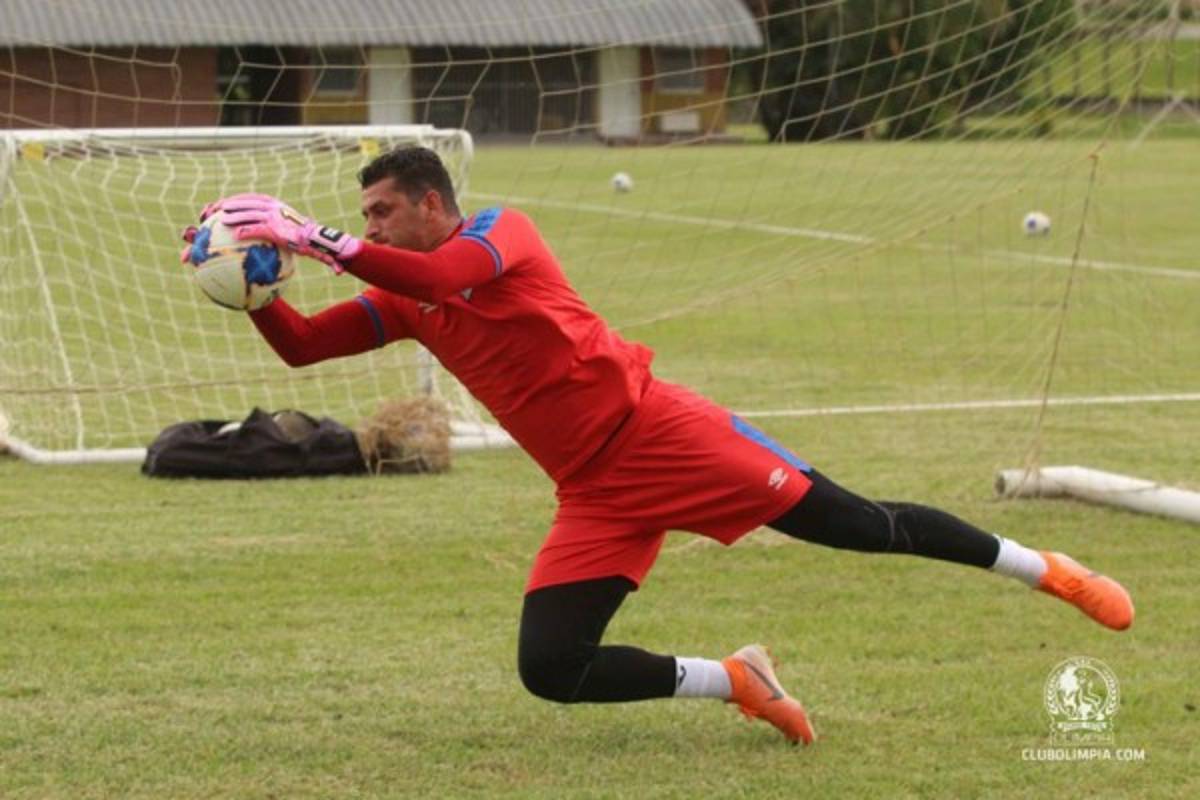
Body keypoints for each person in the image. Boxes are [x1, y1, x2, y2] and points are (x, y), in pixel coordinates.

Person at [184, 146, 1134, 746]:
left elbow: (444, 272)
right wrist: (255, 290)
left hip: (662, 434)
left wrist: (319, 237)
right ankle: (736, 681)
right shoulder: (405, 295)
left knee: (855, 524)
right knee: (551, 669)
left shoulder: (492, 234)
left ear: (431, 203)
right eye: (369, 215)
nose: (375, 225)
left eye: (384, 210)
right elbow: (309, 347)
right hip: (593, 491)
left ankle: (1044, 568)